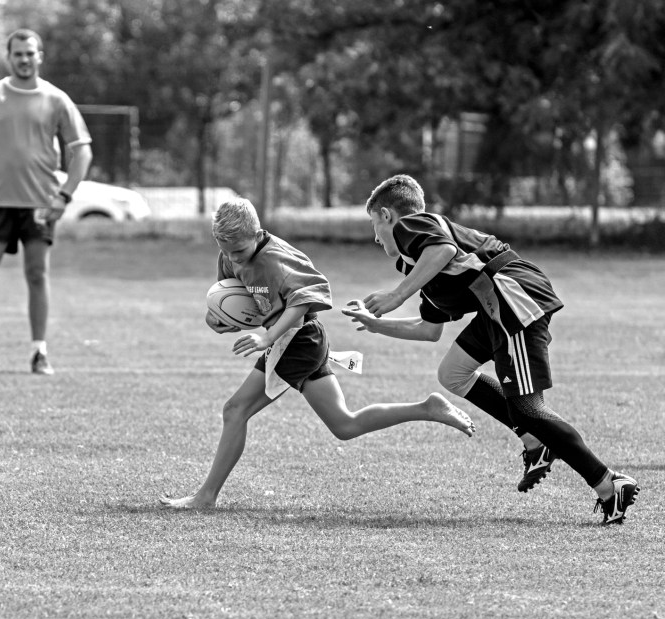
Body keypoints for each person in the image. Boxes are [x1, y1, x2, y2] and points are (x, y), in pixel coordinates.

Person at [343, 174, 638, 525]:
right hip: (494, 307)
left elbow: (443, 250)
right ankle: (535, 441)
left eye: (374, 224)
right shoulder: (418, 264)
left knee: (528, 408)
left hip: (512, 296)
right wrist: (378, 325)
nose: (375, 236)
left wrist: (396, 296)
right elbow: (429, 330)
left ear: (388, 215)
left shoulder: (412, 227)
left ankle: (608, 484)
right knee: (452, 373)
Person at [159, 198, 475, 510]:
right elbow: (235, 298)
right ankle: (427, 407)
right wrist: (221, 319)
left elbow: (302, 304)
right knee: (345, 425)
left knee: (235, 409)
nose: (234, 260)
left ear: (257, 236)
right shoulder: (232, 254)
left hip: (298, 340)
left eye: (239, 252)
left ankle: (206, 497)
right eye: (226, 252)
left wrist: (267, 335)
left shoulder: (274, 260)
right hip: (293, 341)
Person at [0, 28, 93, 375]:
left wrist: (64, 195)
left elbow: (82, 152)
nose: (24, 59)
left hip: (40, 204)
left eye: (30, 53)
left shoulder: (57, 99)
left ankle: (39, 353)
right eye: (18, 54)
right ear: (8, 57)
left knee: (37, 275)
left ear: (40, 56)